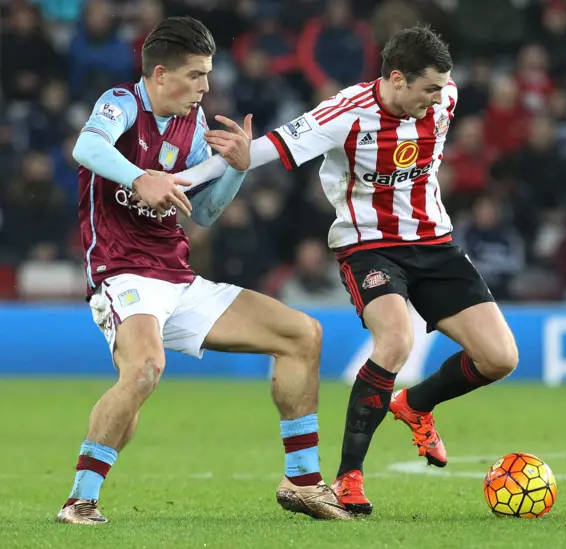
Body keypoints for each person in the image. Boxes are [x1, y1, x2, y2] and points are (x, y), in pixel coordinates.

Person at [182, 26, 519, 516]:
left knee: (500, 358)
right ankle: (348, 478)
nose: (435, 100)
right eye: (426, 90)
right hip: (369, 246)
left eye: (441, 89)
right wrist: (189, 176)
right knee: (396, 341)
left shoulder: (444, 98)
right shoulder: (346, 112)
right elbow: (268, 149)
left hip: (435, 243)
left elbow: (440, 98)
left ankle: (415, 405)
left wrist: (438, 94)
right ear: (397, 79)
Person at [57, 16, 352, 525]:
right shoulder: (122, 103)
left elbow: (207, 213)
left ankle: (303, 481)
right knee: (146, 369)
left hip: (177, 278)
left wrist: (236, 170)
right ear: (162, 73)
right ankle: (79, 501)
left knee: (302, 334)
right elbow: (85, 147)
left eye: (209, 74)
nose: (206, 86)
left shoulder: (195, 130)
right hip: (121, 274)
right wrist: (140, 176)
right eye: (196, 75)